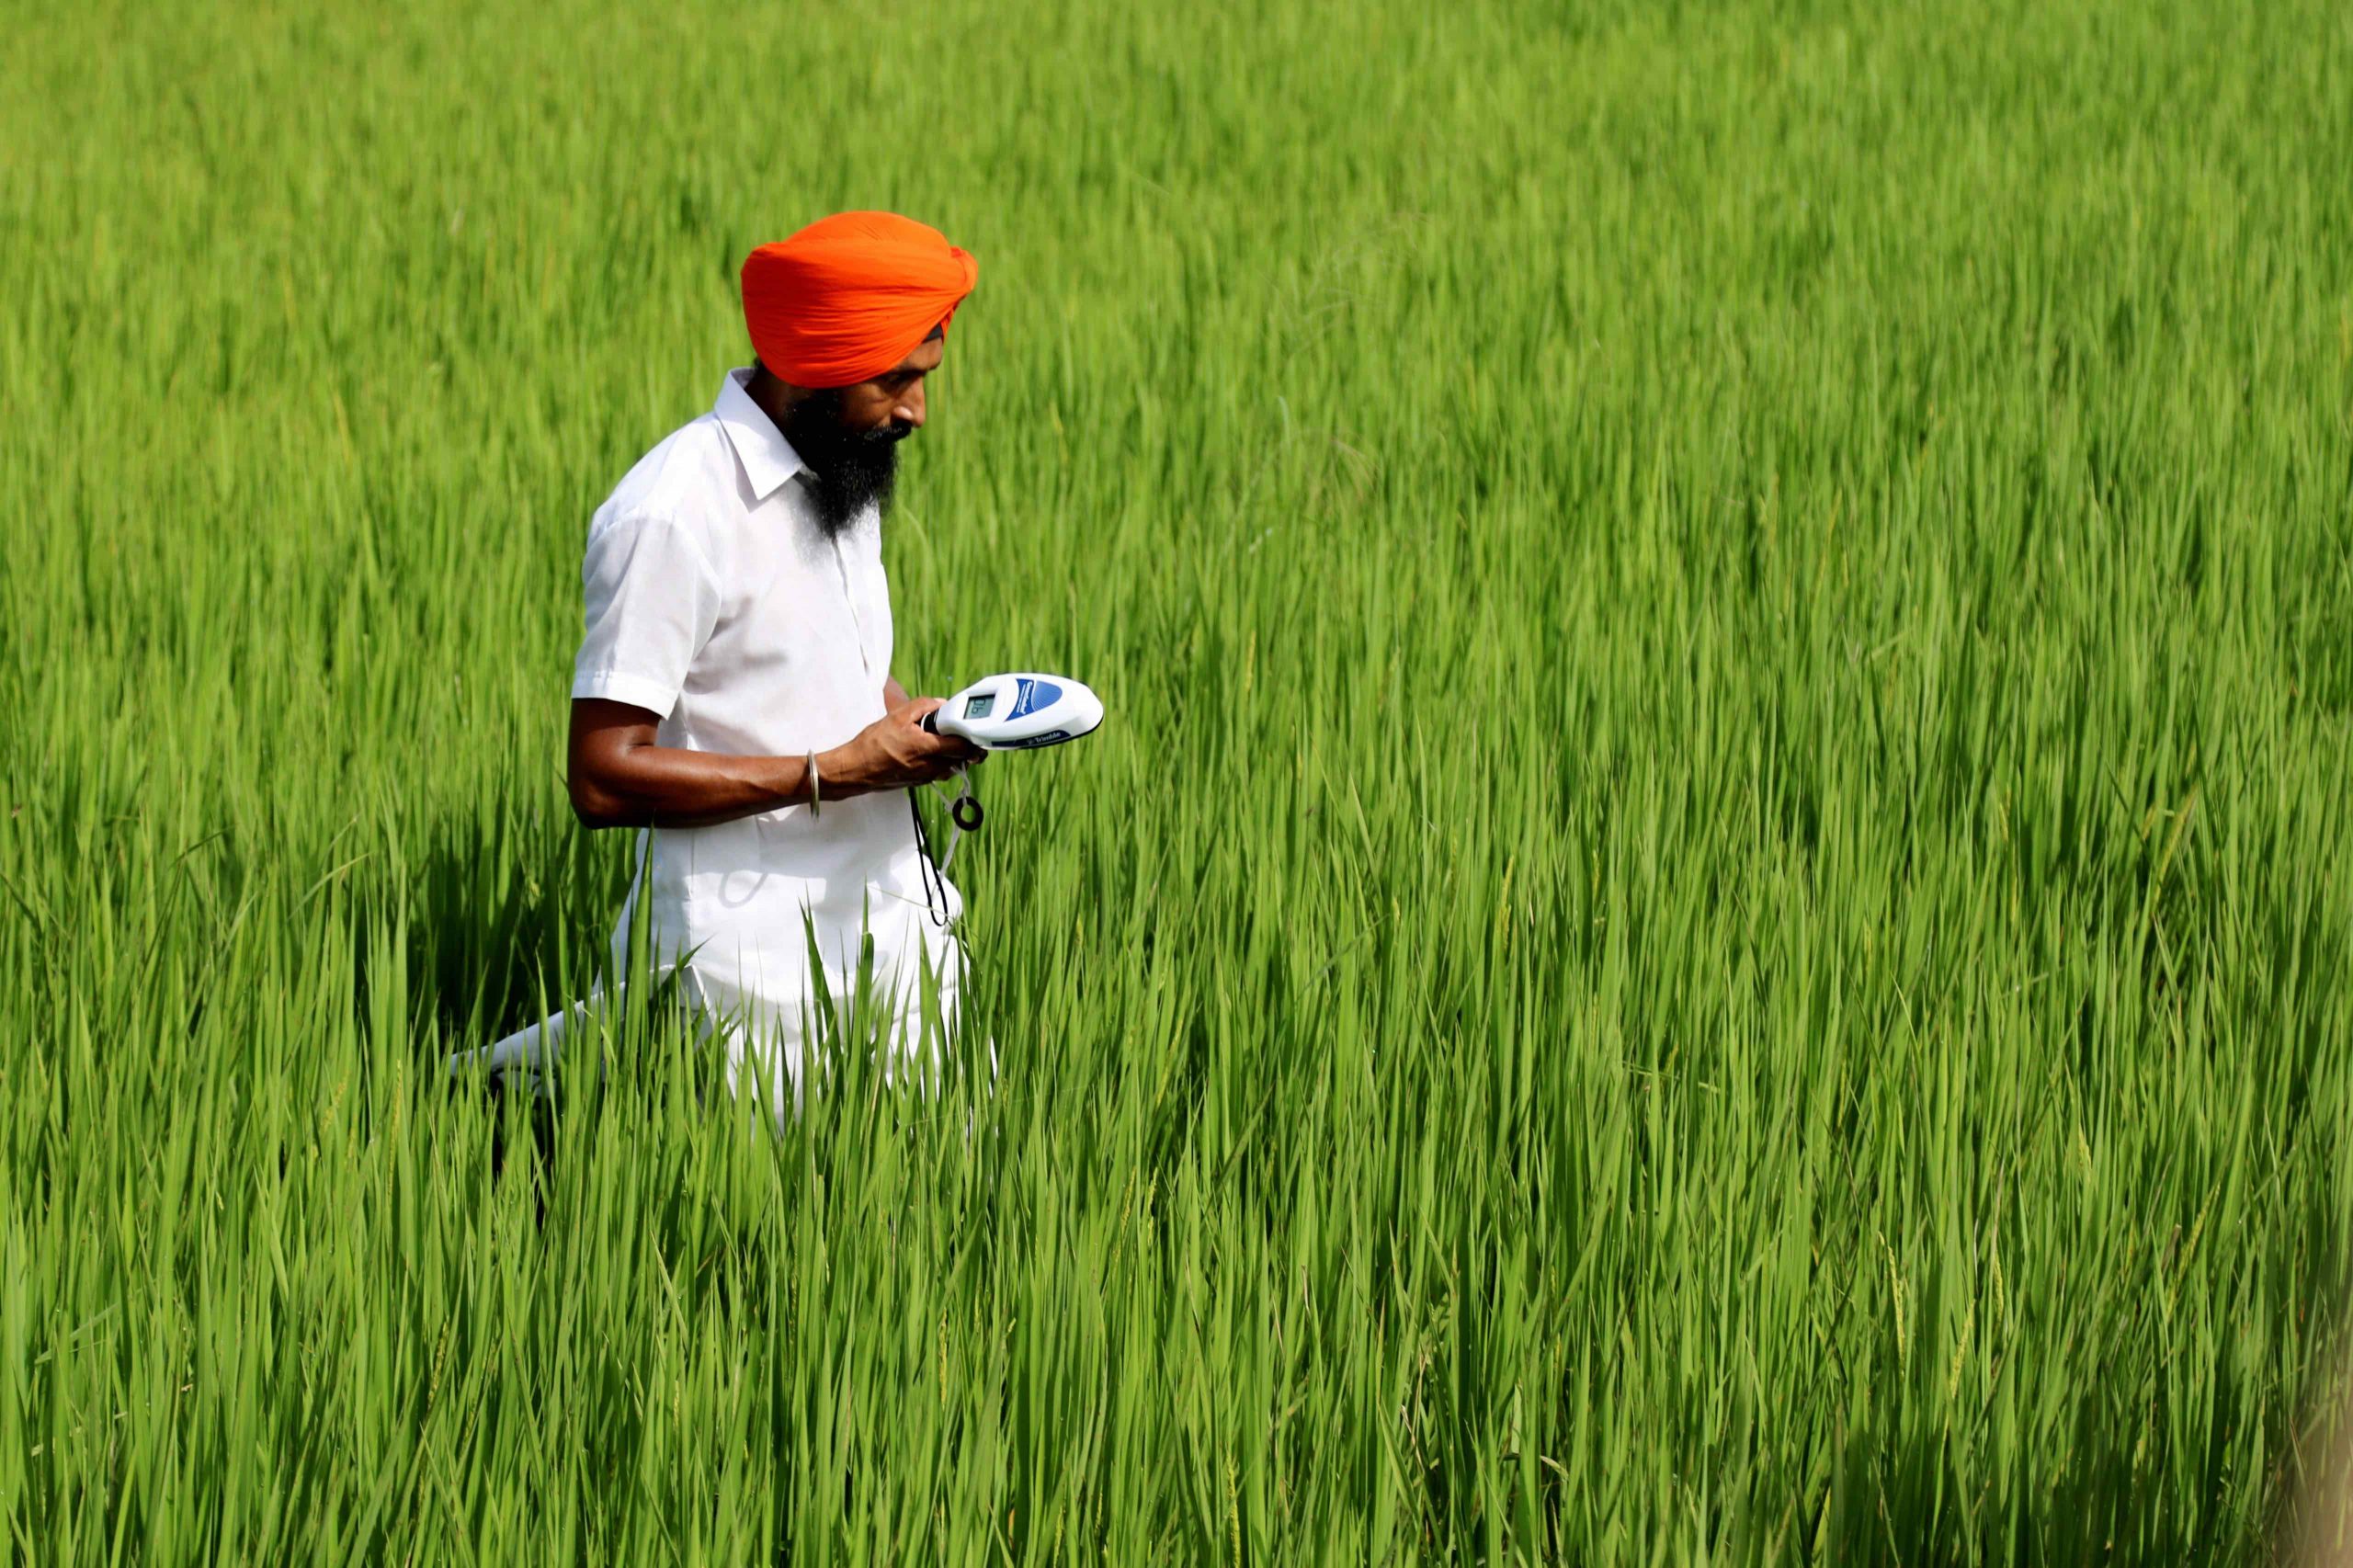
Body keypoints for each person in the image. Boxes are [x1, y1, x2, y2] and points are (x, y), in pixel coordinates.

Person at [454, 211, 984, 1123]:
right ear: (811, 365)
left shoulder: (841, 468)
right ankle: (475, 1111)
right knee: (752, 1234)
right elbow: (602, 774)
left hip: (894, 924)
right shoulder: (673, 512)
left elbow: (819, 660)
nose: (914, 410)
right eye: (893, 379)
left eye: (924, 377)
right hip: (750, 967)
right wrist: (836, 770)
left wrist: (915, 720)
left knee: (929, 1209)